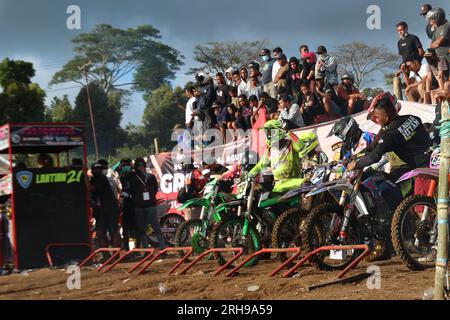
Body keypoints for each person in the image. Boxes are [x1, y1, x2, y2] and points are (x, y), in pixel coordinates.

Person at [347, 92, 432, 183]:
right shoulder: (413, 117)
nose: (376, 121)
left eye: (377, 117)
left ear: (386, 116)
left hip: (421, 170)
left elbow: (374, 156)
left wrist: (356, 164)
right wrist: (355, 156)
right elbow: (372, 146)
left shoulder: (389, 134)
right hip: (431, 159)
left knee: (383, 185)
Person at [247, 119, 308, 194]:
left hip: (293, 180)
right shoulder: (270, 150)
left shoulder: (290, 143)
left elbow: (301, 146)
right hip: (278, 184)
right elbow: (260, 166)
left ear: (277, 131)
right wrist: (249, 175)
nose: (268, 135)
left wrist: (287, 131)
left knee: (306, 183)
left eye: (270, 132)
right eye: (267, 133)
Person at [129, 158, 166, 250]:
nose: (141, 168)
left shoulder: (151, 177)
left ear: (145, 166)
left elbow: (155, 189)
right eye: (139, 166)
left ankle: (162, 247)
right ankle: (146, 250)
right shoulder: (133, 178)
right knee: (142, 229)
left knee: (156, 227)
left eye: (142, 166)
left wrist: (150, 198)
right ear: (137, 167)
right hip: (139, 207)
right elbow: (132, 191)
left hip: (150, 205)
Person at [90, 162, 121, 251]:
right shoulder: (93, 179)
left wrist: (84, 174)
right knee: (100, 232)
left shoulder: (102, 178)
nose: (97, 171)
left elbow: (90, 188)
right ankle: (106, 255)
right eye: (96, 169)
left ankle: (116, 255)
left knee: (114, 231)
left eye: (99, 169)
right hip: (101, 210)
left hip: (111, 208)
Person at [117, 158, 135, 251]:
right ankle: (127, 249)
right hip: (125, 204)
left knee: (137, 227)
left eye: (126, 165)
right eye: (123, 165)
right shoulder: (121, 176)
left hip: (135, 203)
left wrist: (131, 195)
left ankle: (139, 249)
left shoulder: (134, 174)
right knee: (125, 228)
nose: (124, 167)